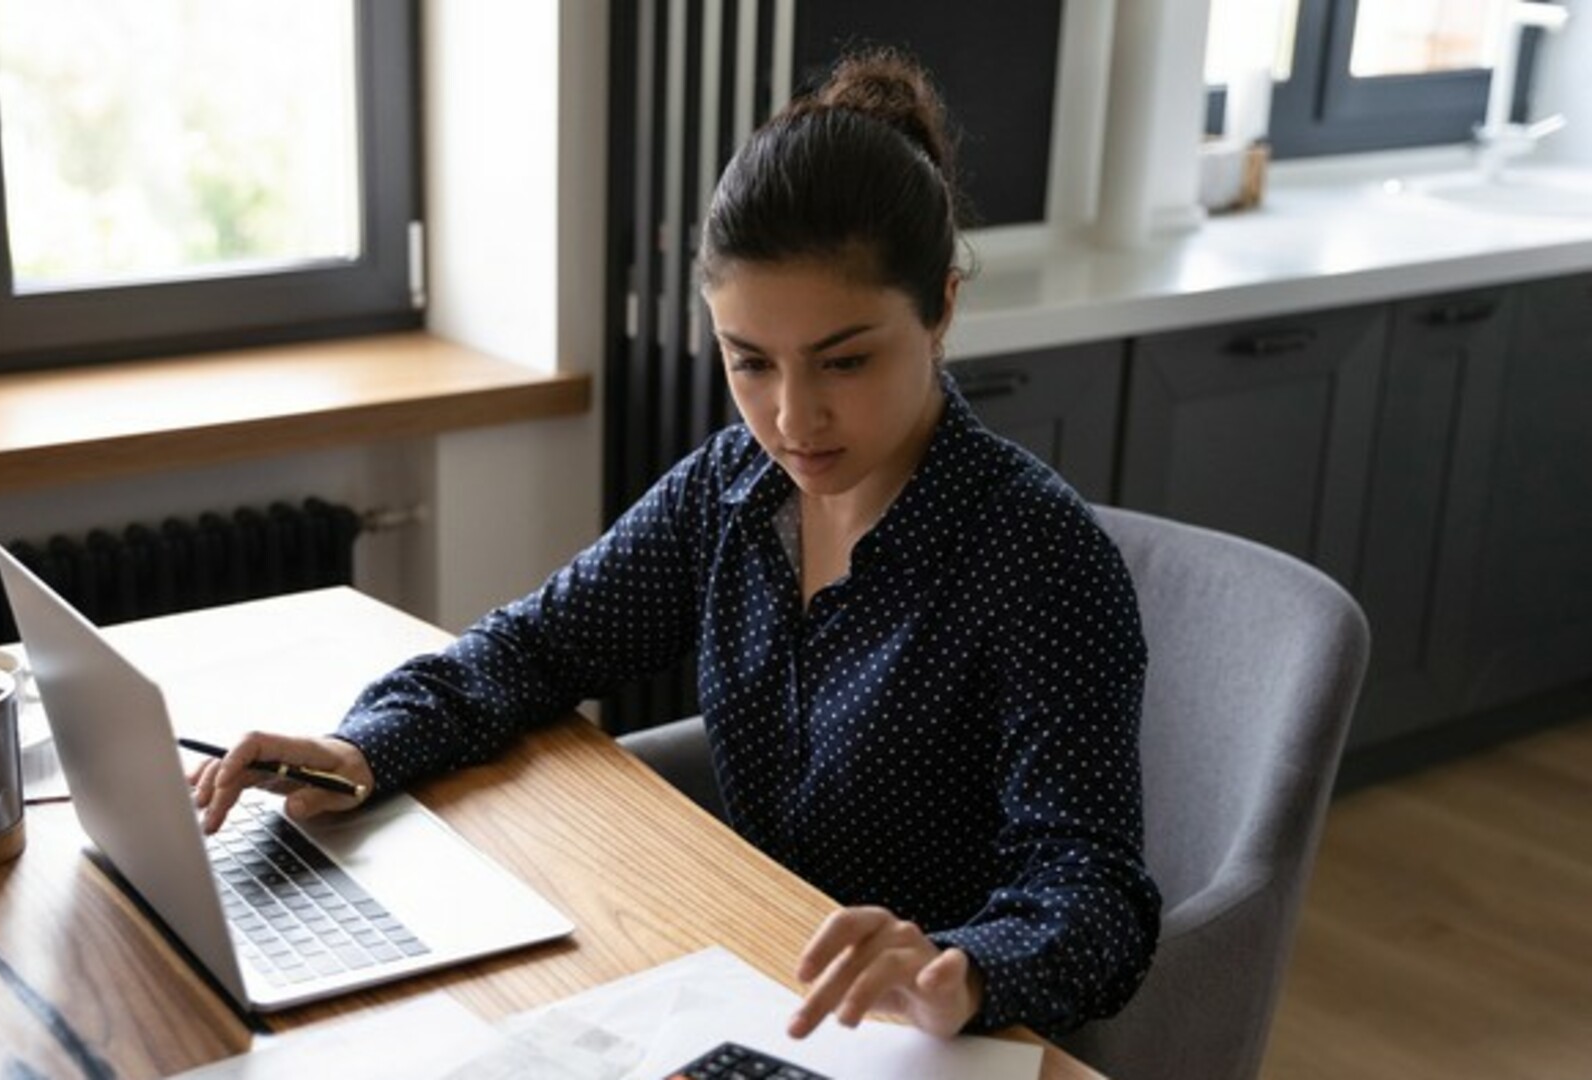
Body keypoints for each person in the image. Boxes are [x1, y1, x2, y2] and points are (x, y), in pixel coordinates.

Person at [192, 48, 1160, 1042]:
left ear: (942, 308)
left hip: (940, 1043)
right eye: (750, 362)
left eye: (847, 360)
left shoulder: (1037, 556)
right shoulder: (731, 490)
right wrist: (356, 748)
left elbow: (1095, 897)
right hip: (744, 982)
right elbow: (533, 648)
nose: (793, 419)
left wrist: (959, 971)